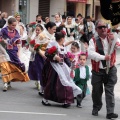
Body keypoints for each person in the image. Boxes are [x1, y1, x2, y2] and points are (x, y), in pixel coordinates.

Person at [88, 19, 120, 119]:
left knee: (109, 90)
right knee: (97, 91)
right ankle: (97, 106)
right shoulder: (93, 40)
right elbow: (91, 54)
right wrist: (103, 57)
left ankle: (110, 112)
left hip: (111, 69)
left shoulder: (112, 37)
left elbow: (118, 47)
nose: (103, 29)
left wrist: (113, 41)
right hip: (98, 70)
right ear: (96, 29)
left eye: (104, 27)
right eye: (100, 27)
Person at [41, 31, 82, 108]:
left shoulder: (63, 46)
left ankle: (65, 100)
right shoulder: (52, 44)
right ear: (62, 38)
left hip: (62, 67)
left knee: (65, 82)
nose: (64, 39)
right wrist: (55, 57)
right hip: (53, 67)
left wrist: (70, 65)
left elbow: (65, 57)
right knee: (52, 83)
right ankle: (45, 99)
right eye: (64, 38)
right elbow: (47, 54)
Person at [0, 17, 29, 91]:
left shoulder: (16, 32)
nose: (14, 27)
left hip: (13, 52)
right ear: (8, 24)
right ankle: (5, 83)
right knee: (5, 67)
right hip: (4, 51)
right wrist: (4, 40)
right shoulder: (3, 31)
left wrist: (19, 52)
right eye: (12, 25)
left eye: (15, 25)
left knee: (13, 66)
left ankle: (9, 81)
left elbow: (18, 43)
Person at [28, 24, 46, 92]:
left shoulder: (43, 37)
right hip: (35, 54)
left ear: (42, 30)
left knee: (40, 68)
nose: (37, 31)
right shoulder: (34, 37)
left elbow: (44, 45)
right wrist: (33, 47)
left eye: (39, 30)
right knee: (35, 68)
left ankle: (40, 82)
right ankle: (38, 80)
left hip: (41, 54)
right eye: (36, 30)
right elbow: (30, 45)